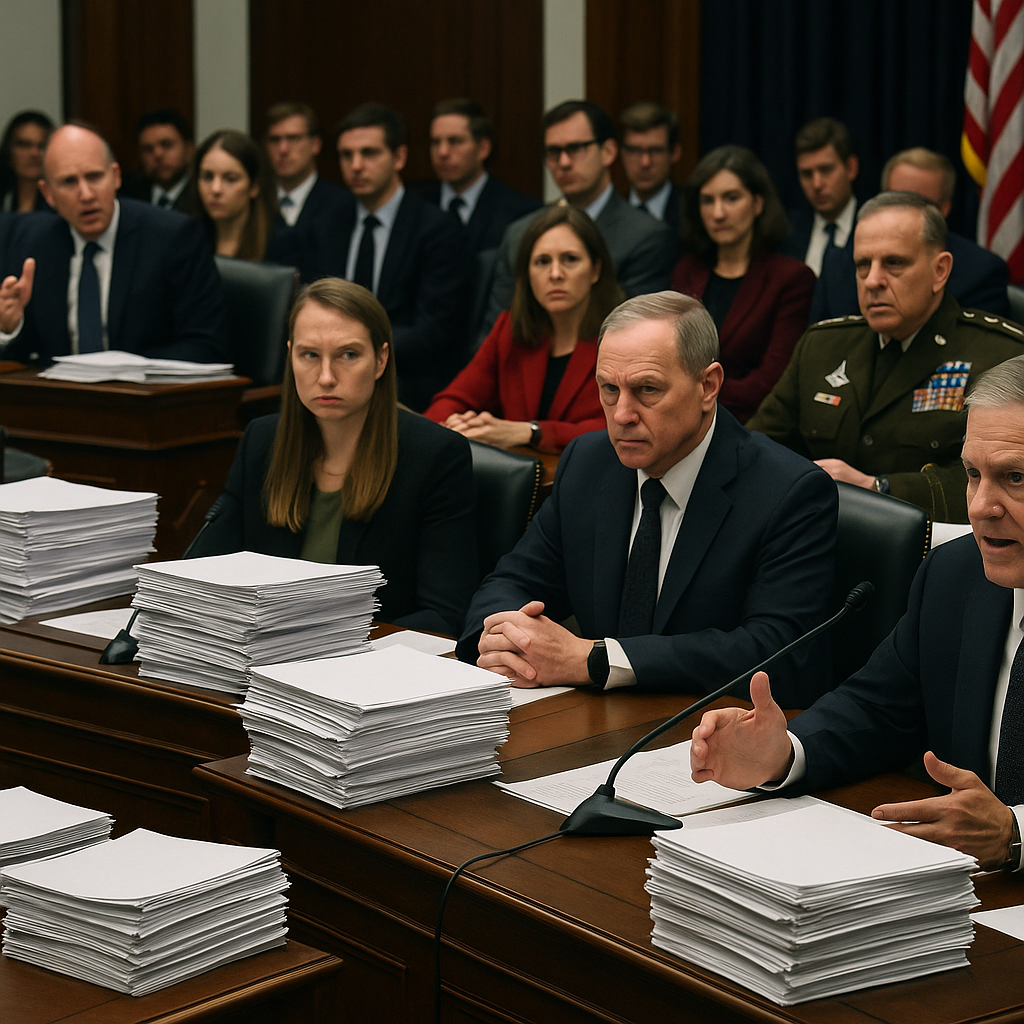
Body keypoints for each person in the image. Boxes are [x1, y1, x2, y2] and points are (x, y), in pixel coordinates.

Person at [691, 354, 1024, 872]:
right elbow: (877, 708)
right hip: (959, 891)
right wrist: (784, 753)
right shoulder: (955, 575)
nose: (981, 505)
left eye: (1015, 477)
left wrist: (1016, 834)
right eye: (973, 474)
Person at [457, 291, 838, 709]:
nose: (622, 414)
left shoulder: (787, 491)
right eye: (609, 389)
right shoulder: (588, 462)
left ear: (708, 386)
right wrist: (501, 639)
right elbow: (512, 582)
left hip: (704, 729)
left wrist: (595, 660)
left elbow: (778, 652)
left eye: (647, 389)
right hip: (592, 720)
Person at [191, 277, 479, 637]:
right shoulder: (262, 441)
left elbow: (445, 615)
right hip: (264, 658)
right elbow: (206, 571)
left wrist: (325, 644)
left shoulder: (435, 456)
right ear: (290, 355)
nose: (326, 377)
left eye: (348, 355)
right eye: (310, 355)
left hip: (371, 663)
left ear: (381, 360)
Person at [747, 191, 1024, 523]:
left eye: (894, 263)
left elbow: (1004, 480)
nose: (873, 281)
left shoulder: (1000, 356)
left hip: (936, 543)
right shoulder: (821, 346)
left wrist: (877, 488)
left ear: (940, 270)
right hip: (818, 531)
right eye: (863, 265)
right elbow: (756, 447)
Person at [0, 122, 226, 364]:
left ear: (116, 176)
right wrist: (8, 328)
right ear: (48, 194)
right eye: (69, 182)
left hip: (144, 386)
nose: (86, 195)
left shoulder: (173, 238)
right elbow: (30, 351)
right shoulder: (32, 243)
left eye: (94, 177)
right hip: (62, 388)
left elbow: (206, 345)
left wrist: (125, 371)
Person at [426, 205, 623, 451]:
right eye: (542, 262)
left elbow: (619, 425)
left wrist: (532, 432)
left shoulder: (623, 337)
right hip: (523, 472)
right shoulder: (509, 329)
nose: (555, 274)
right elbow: (453, 399)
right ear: (527, 274)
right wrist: (454, 425)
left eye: (570, 259)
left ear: (595, 270)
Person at [479, 100, 676, 340]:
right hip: (526, 357)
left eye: (575, 148)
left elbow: (635, 335)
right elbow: (495, 331)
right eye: (554, 152)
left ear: (608, 152)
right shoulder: (520, 233)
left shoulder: (645, 236)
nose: (563, 162)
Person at [326, 102, 469, 411]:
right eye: (347, 155)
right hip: (331, 374)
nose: (356, 165)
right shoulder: (328, 224)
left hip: (406, 381)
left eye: (369, 153)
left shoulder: (437, 228)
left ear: (399, 157)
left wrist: (354, 348)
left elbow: (434, 331)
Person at [671, 145, 815, 422]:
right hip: (682, 420)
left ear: (758, 204)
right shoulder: (687, 270)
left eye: (731, 198)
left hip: (750, 424)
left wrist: (689, 390)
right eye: (708, 200)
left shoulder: (791, 278)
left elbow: (770, 382)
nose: (718, 213)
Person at [811, 146, 1010, 320]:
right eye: (895, 200)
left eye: (919, 205)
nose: (873, 280)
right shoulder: (837, 264)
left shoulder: (981, 273)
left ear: (944, 209)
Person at [414, 98, 540, 256]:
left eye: (455, 141)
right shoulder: (415, 206)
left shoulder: (518, 211)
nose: (442, 152)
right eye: (435, 142)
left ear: (483, 148)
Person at [262, 101, 353, 283]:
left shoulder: (342, 203)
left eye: (293, 138)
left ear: (315, 144)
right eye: (275, 140)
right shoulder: (256, 201)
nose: (283, 149)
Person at [782, 117, 859, 276]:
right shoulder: (787, 233)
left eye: (826, 170)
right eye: (806, 174)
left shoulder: (873, 226)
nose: (816, 184)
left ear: (851, 168)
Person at [191, 129, 277, 261]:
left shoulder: (281, 244)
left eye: (230, 179)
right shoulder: (187, 241)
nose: (215, 189)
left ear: (254, 187)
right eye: (208, 177)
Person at [618, 101, 682, 237]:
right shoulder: (611, 213)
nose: (645, 163)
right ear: (621, 153)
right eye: (635, 151)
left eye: (655, 151)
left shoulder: (693, 212)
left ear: (674, 153)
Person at [119, 108, 197, 215]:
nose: (157, 154)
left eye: (167, 145)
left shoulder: (202, 196)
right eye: (148, 149)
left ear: (189, 150)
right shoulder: (126, 196)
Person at [0, 111, 53, 213]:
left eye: (42, 146)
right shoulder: (5, 198)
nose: (34, 153)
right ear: (8, 150)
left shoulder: (62, 204)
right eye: (24, 145)